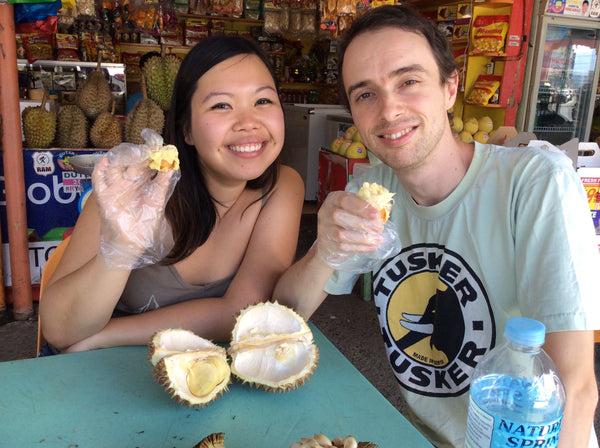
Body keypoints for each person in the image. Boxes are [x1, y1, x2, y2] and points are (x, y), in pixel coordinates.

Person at [273, 5, 600, 448]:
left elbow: (576, 388)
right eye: (365, 94)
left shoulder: (536, 183)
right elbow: (285, 315)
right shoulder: (371, 186)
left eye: (409, 82)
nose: (389, 110)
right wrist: (323, 251)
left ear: (450, 88)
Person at [40, 35, 304, 354]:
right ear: (187, 130)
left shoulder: (282, 186)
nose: (249, 123)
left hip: (191, 371)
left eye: (263, 101)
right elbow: (59, 331)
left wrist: (104, 336)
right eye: (222, 105)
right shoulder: (129, 189)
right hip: (97, 371)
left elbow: (243, 312)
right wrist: (121, 248)